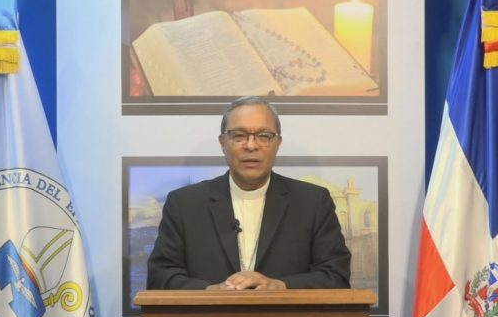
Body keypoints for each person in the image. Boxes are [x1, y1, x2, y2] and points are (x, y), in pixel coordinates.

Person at [147, 96, 351, 290]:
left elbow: (336, 276)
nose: (251, 146)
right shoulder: (185, 204)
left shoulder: (312, 202)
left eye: (264, 136)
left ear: (278, 143)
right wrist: (211, 292)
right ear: (222, 143)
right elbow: (160, 277)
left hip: (287, 316)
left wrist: (280, 286)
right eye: (239, 135)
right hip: (209, 315)